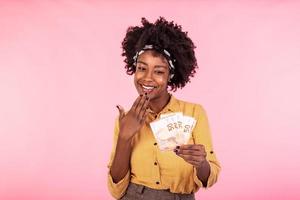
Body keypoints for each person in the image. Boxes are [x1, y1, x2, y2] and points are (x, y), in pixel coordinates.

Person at [107, 17, 221, 200]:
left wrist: (201, 163)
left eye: (159, 71)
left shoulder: (194, 113)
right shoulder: (125, 118)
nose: (147, 78)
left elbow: (210, 177)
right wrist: (124, 137)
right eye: (142, 68)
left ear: (170, 75)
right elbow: (116, 190)